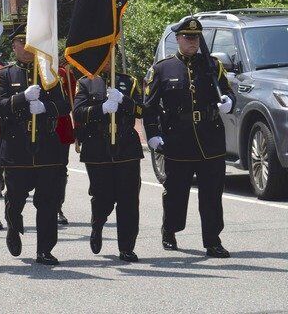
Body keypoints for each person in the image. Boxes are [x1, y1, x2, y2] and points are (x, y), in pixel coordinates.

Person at [143, 16, 235, 258]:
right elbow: (149, 107)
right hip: (178, 140)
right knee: (176, 192)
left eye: (196, 37)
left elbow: (226, 91)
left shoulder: (212, 66)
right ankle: (170, 229)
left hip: (210, 139)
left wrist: (229, 102)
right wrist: (152, 135)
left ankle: (213, 240)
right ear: (178, 39)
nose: (192, 41)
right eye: (187, 37)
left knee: (212, 194)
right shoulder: (162, 69)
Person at [0, 25, 70, 265]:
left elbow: (64, 105)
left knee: (48, 201)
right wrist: (21, 98)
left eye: (29, 42)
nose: (25, 48)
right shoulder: (3, 75)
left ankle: (44, 249)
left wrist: (46, 107)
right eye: (20, 43)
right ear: (13, 46)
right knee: (15, 199)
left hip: (47, 146)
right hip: (16, 148)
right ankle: (13, 227)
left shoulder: (49, 74)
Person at [73, 59, 143, 262]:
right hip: (97, 147)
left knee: (129, 200)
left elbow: (142, 110)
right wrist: (101, 109)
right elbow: (78, 113)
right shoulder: (86, 83)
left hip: (126, 147)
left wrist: (124, 100)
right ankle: (98, 224)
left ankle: (127, 247)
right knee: (103, 197)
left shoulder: (129, 81)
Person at [56, 63, 77, 225]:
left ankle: (57, 207)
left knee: (60, 168)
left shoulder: (64, 73)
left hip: (60, 127)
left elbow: (72, 101)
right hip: (32, 129)